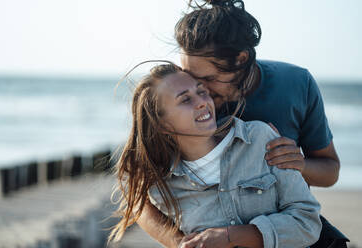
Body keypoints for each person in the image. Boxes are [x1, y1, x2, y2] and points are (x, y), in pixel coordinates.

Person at [136, 0, 348, 247]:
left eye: (208, 79)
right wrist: (186, 243)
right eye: (189, 77)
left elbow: (330, 170)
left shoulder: (296, 84)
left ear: (240, 59)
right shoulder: (190, 103)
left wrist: (296, 164)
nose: (200, 92)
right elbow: (137, 200)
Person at [109, 63, 322, 248]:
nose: (202, 101)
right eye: (185, 100)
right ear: (162, 124)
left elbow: (308, 222)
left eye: (202, 91)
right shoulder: (161, 186)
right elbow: (140, 206)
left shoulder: (259, 138)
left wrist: (231, 237)